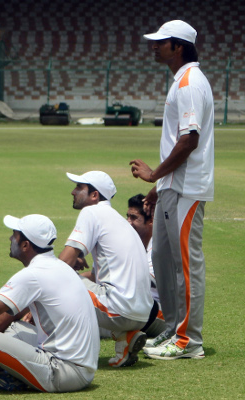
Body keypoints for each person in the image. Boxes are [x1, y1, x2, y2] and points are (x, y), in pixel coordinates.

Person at [0, 214, 99, 393]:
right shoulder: (59, 266)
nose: (10, 238)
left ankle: (8, 378)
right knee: (16, 329)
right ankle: (11, 372)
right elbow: (9, 314)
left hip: (62, 373)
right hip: (84, 369)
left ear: (25, 245)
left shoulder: (33, 274)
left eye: (15, 235)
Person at [130, 20, 213, 361]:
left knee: (185, 264)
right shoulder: (181, 80)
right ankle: (174, 327)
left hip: (187, 188)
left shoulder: (190, 82)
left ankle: (189, 340)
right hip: (172, 186)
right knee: (164, 260)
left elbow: (189, 140)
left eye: (161, 42)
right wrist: (160, 186)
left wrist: (153, 175)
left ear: (178, 46)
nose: (154, 46)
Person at [59, 171, 152, 367]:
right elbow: (96, 274)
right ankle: (125, 338)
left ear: (94, 195)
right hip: (142, 314)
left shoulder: (91, 212)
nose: (73, 192)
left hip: (120, 310)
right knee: (78, 282)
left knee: (56, 282)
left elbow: (61, 265)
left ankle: (57, 349)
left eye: (79, 187)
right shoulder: (117, 220)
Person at [127, 194, 166, 338]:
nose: (128, 222)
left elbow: (148, 280)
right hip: (140, 307)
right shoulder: (132, 243)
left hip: (160, 312)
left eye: (134, 218)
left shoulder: (159, 248)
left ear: (150, 221)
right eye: (128, 216)